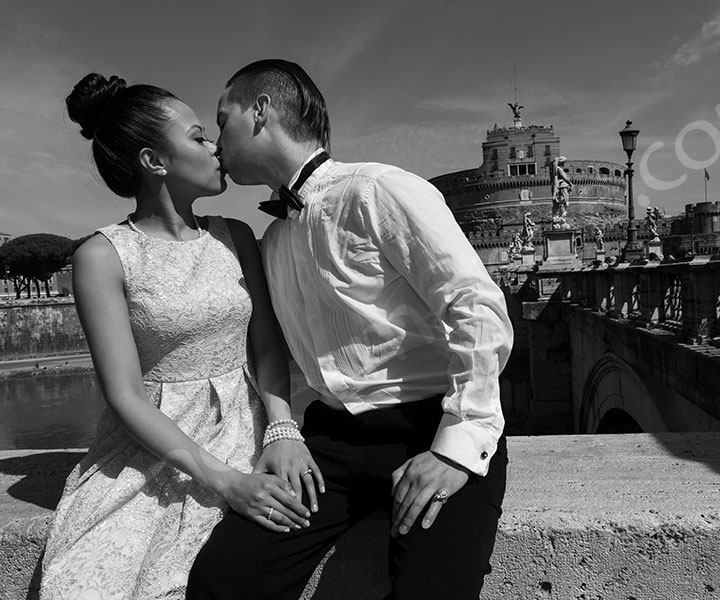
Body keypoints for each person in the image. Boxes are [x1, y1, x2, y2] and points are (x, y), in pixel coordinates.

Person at [187, 59, 514, 600]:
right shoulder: (271, 242)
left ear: (261, 112)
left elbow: (475, 306)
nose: (216, 140)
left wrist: (456, 447)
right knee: (224, 581)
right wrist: (283, 430)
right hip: (328, 445)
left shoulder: (378, 189)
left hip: (429, 424)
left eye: (223, 121)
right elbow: (287, 361)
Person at [40, 73, 320, 599]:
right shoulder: (102, 256)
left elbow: (266, 345)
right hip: (152, 444)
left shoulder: (235, 236)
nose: (216, 147)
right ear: (154, 161)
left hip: (243, 427)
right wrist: (225, 481)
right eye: (197, 137)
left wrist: (282, 430)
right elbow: (123, 394)